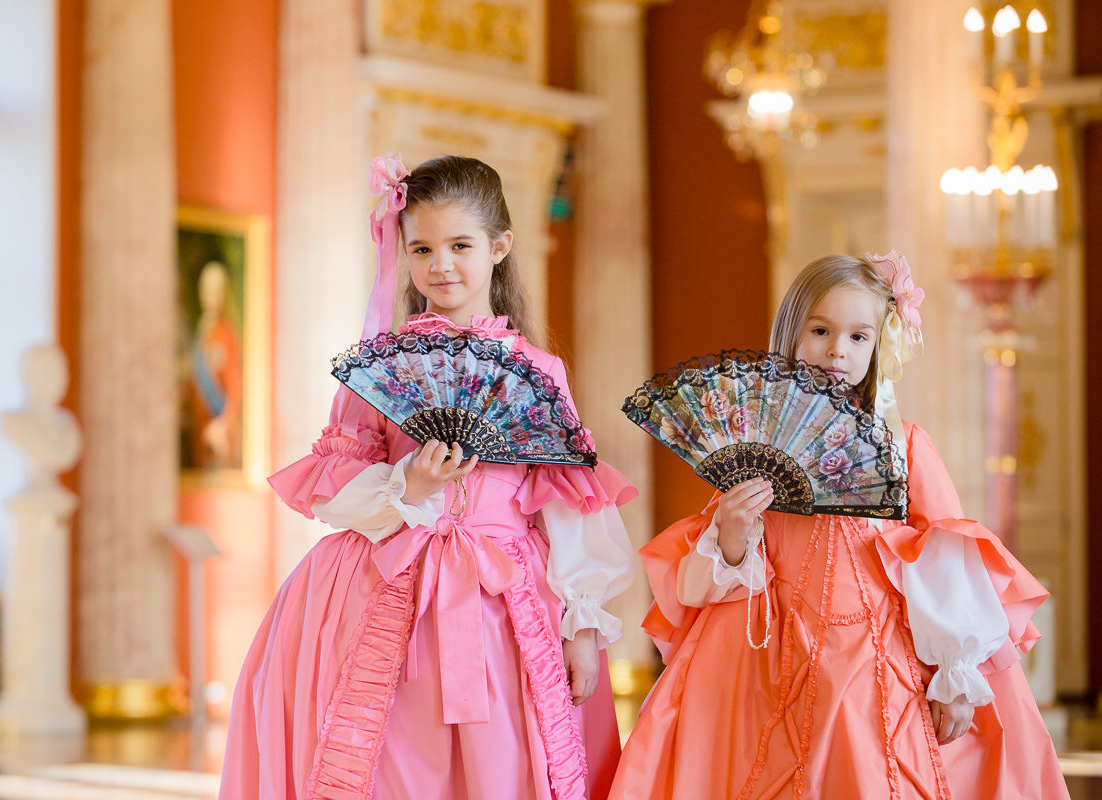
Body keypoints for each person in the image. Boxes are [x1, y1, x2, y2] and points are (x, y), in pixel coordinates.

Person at [219, 154, 638, 800]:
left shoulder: (539, 372)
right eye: (423, 248)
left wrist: (582, 629)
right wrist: (408, 488)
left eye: (460, 246)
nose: (441, 266)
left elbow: (570, 508)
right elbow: (336, 489)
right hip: (388, 590)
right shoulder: (380, 369)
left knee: (501, 762)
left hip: (503, 602)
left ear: (500, 248)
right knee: (393, 763)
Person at [609, 253, 1069, 799]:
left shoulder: (902, 447)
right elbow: (701, 585)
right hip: (763, 658)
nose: (837, 350)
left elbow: (944, 560)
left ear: (878, 348)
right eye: (821, 330)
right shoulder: (756, 445)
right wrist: (732, 535)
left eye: (858, 337)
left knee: (861, 762)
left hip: (872, 653)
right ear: (791, 334)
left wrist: (955, 672)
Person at [184, 260, 242, 470]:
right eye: (208, 289)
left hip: (217, 429)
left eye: (217, 290)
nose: (211, 295)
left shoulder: (226, 333)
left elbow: (234, 382)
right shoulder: (202, 331)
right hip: (199, 424)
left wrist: (225, 423)